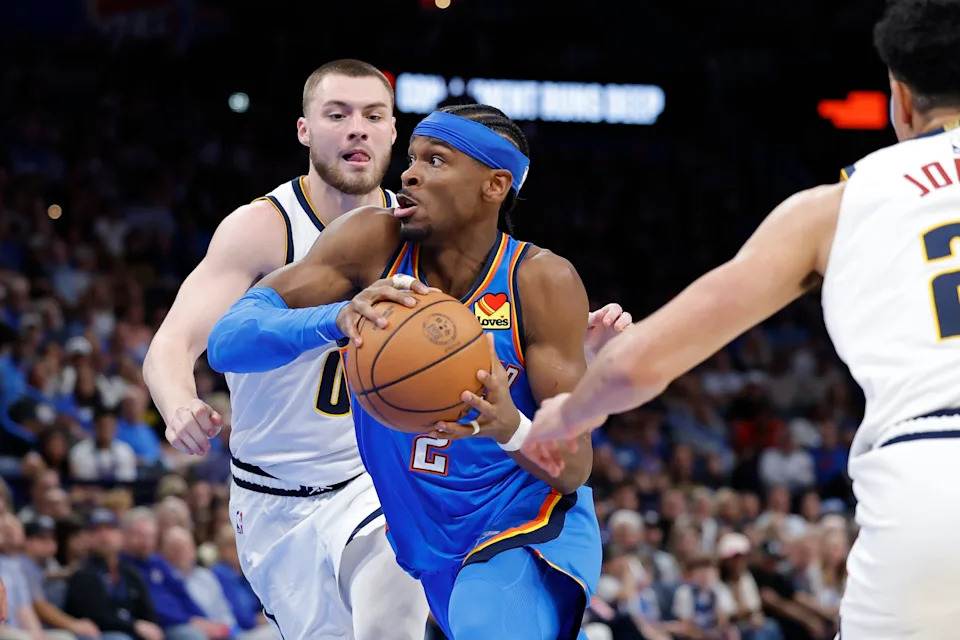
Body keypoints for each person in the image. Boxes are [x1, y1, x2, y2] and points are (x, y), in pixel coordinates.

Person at [528, 0, 960, 637]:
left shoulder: (837, 204)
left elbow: (645, 360)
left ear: (898, 98)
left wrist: (567, 415)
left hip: (930, 479)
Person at [205, 104, 627, 639]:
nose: (408, 174)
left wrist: (510, 428)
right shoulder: (372, 242)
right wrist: (333, 318)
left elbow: (574, 467)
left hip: (529, 521)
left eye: (436, 160)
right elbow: (227, 342)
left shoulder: (540, 281)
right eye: (411, 159)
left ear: (494, 185)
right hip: (427, 539)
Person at [141, 59, 429, 640]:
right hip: (273, 500)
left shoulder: (422, 228)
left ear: (394, 130)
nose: (358, 129)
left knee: (395, 604)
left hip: (371, 481)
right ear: (304, 130)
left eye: (374, 115)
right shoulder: (262, 227)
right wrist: (178, 407)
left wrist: (584, 352)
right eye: (338, 114)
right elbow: (171, 345)